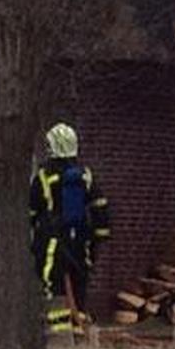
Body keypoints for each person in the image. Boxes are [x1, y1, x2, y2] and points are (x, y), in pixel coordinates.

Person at [28, 122, 111, 334]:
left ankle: (59, 336)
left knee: (52, 284)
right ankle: (78, 330)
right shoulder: (86, 176)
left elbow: (31, 210)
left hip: (52, 240)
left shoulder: (44, 177)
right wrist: (97, 239)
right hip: (80, 239)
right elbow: (100, 206)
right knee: (79, 282)